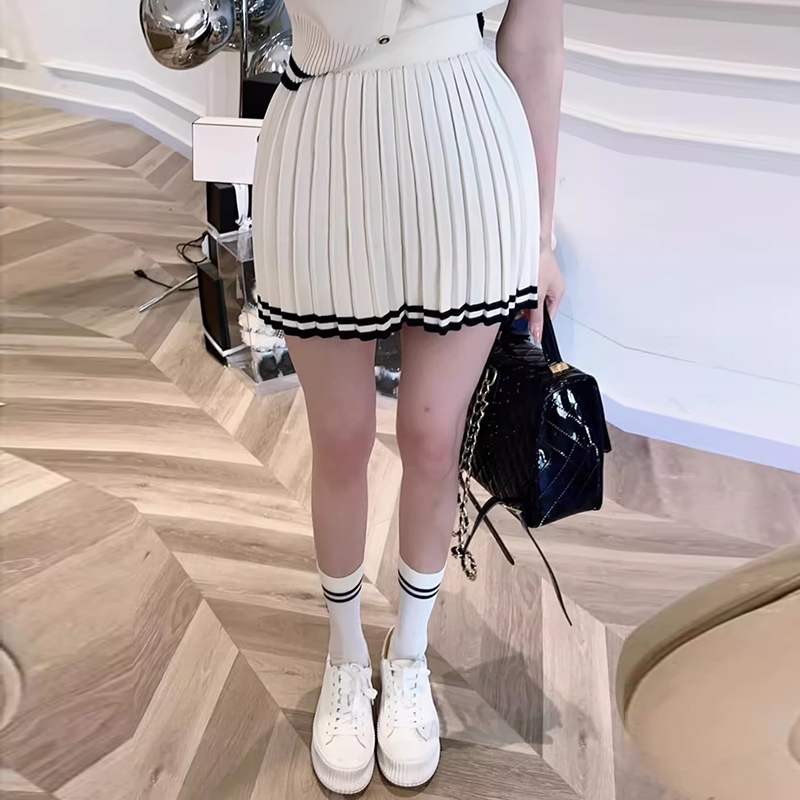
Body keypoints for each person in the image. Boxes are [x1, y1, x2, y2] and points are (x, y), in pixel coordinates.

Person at [252, 0, 565, 792]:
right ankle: (345, 655)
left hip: (468, 139)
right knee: (340, 437)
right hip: (323, 137)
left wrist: (541, 235)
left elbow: (533, 41)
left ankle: (410, 654)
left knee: (434, 437)